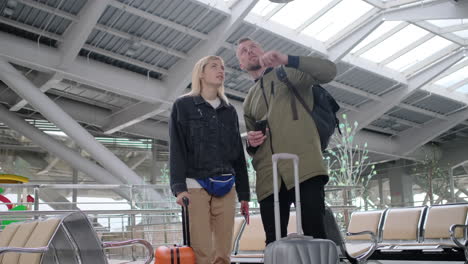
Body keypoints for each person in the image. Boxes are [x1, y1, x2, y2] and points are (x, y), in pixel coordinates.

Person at [236, 37, 337, 245]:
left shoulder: (290, 74)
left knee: (315, 236)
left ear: (262, 49)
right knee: (274, 242)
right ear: (241, 64)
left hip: (305, 168)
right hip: (269, 178)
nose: (250, 51)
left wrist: (286, 59)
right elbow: (253, 146)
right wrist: (251, 143)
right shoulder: (248, 100)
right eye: (243, 52)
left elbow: (329, 71)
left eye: (253, 46)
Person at [169, 55, 250, 264]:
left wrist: (244, 193)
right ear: (201, 73)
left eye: (223, 67)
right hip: (195, 184)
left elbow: (238, 154)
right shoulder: (183, 105)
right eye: (214, 66)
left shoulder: (229, 110)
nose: (221, 70)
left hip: (226, 184)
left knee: (223, 251)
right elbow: (177, 148)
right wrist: (179, 188)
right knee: (201, 250)